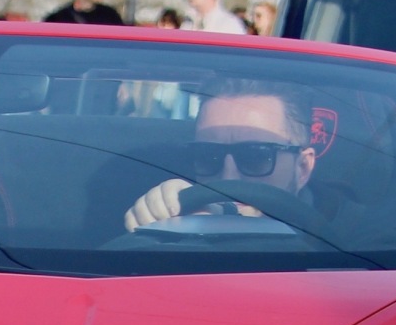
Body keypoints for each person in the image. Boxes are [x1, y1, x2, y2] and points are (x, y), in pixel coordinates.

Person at [122, 90, 320, 232]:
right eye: (208, 155)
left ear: (302, 168)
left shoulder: (343, 244)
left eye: (256, 156)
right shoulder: (178, 219)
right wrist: (161, 223)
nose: (228, 176)